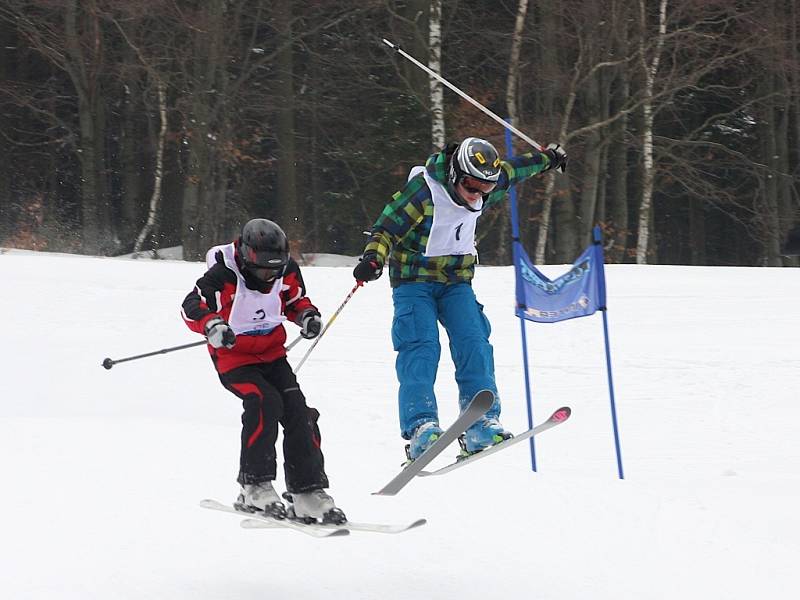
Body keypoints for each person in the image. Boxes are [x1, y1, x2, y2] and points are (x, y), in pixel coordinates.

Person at [353, 137, 568, 462]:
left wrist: (548, 159)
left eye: (485, 187)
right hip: (414, 282)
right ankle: (421, 427)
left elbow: (515, 170)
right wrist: (373, 258)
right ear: (455, 174)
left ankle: (480, 421)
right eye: (471, 185)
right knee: (421, 347)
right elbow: (385, 228)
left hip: (456, 282)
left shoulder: (484, 188)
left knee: (474, 342)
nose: (477, 193)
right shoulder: (424, 191)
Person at [182, 218, 345, 524]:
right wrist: (212, 324)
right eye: (261, 269)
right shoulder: (223, 275)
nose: (269, 275)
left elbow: (295, 301)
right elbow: (191, 305)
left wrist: (307, 316)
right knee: (264, 401)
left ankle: (307, 491)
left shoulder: (286, 270)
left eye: (275, 268)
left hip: (273, 355)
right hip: (235, 359)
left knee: (298, 410)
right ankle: (253, 485)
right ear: (245, 257)